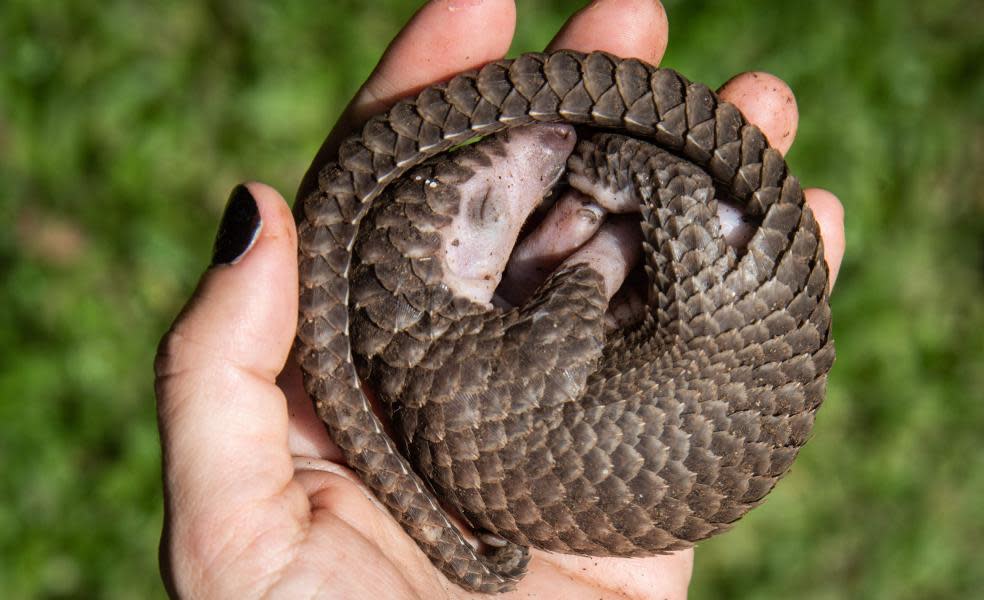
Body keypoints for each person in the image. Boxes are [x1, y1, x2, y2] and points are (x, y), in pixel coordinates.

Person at [154, 1, 846, 597]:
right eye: (494, 202)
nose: (550, 147)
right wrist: (600, 235)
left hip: (712, 355)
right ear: (461, 256)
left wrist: (594, 237)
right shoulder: (476, 398)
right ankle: (655, 181)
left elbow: (573, 312)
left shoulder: (464, 403)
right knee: (649, 202)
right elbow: (577, 301)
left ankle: (650, 186)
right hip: (738, 322)